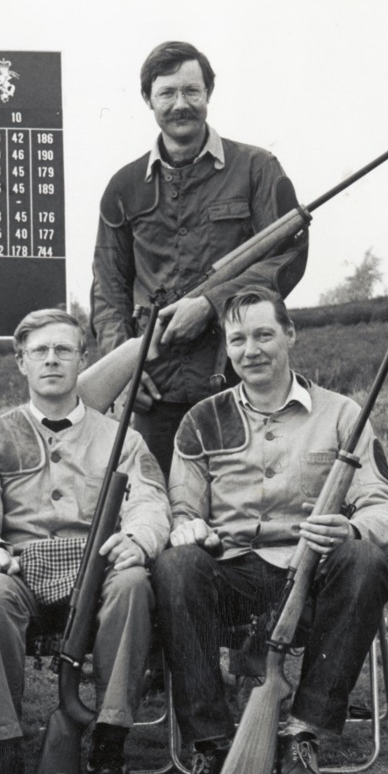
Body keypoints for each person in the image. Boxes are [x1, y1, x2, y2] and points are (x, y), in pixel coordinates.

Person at [152, 289, 388, 774]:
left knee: (365, 560)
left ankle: (300, 736)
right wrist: (188, 530)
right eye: (238, 338)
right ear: (227, 347)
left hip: (312, 576)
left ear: (290, 335)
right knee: (176, 565)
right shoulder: (202, 419)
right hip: (230, 578)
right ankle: (211, 747)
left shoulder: (343, 415)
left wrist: (351, 531)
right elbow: (182, 509)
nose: (251, 350)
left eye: (264, 334)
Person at [0, 309, 169, 774]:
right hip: (21, 575)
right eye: (40, 351)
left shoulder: (124, 438)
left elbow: (150, 503)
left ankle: (110, 758)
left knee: (136, 582)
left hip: (100, 576)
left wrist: (138, 538)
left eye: (64, 350)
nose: (52, 359)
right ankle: (5, 765)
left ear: (82, 360)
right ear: (21, 362)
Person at [90, 40, 308, 475]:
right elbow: (108, 286)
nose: (180, 104)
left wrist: (212, 304)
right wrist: (124, 368)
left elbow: (288, 256)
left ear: (209, 92)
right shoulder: (123, 186)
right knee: (153, 511)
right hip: (155, 389)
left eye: (191, 91)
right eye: (167, 93)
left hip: (240, 377)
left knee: (242, 508)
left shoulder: (258, 169)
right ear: (148, 99)